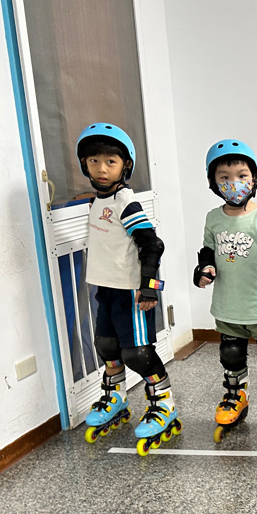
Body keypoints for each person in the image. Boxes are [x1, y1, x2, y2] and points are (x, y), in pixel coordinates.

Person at [77, 122, 179, 455]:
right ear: (85, 165)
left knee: (137, 353)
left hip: (130, 292)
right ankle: (116, 398)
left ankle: (164, 402)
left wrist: (149, 287)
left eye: (110, 161)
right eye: (94, 161)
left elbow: (152, 244)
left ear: (125, 166)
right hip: (106, 289)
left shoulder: (125, 202)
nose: (102, 168)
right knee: (106, 346)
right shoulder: (96, 201)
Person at [193, 139, 257, 444]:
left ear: (254, 179)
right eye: (224, 177)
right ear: (213, 182)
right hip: (228, 304)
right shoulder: (213, 217)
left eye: (241, 175)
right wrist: (204, 269)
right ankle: (236, 396)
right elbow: (208, 251)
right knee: (231, 354)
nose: (233, 183)